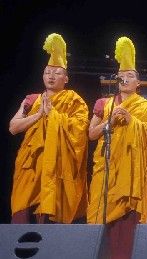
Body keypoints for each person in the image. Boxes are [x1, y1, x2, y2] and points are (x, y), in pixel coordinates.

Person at [87, 36, 147, 258]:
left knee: (127, 229)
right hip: (107, 170)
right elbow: (91, 134)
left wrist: (133, 122)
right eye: (121, 76)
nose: (125, 79)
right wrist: (109, 122)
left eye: (130, 76)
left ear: (138, 83)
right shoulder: (104, 104)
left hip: (131, 175)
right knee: (99, 221)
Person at [9, 33, 89, 224]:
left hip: (58, 166)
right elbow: (13, 127)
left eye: (57, 72)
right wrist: (39, 115)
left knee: (53, 221)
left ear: (66, 78)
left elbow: (79, 130)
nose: (51, 76)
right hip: (32, 166)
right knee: (24, 211)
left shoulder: (74, 100)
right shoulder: (32, 100)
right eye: (47, 72)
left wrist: (54, 115)